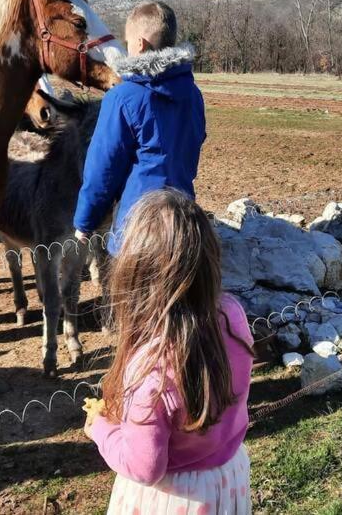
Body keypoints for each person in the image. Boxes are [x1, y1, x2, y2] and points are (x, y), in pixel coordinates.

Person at [84, 189, 255, 514]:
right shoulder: (232, 314)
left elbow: (145, 467)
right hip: (226, 478)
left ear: (135, 278)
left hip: (174, 500)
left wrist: (101, 430)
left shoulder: (151, 371)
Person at [73, 1, 206, 254]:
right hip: (184, 225)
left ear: (140, 45)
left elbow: (103, 166)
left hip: (138, 231)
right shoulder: (193, 95)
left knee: (133, 292)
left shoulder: (122, 98)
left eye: (127, 43)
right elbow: (194, 144)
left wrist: (84, 222)